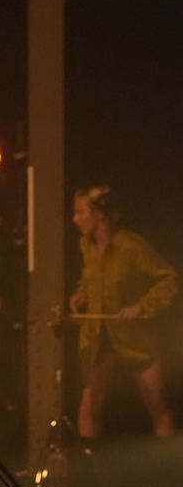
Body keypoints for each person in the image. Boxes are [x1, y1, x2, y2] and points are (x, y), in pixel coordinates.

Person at [69, 186, 177, 440]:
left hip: (133, 337)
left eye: (80, 212)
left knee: (156, 402)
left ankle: (169, 468)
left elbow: (169, 280)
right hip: (97, 337)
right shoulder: (85, 245)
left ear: (100, 215)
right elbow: (91, 277)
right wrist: (82, 292)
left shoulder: (131, 246)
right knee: (89, 401)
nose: (75, 220)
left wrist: (140, 307)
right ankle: (90, 468)